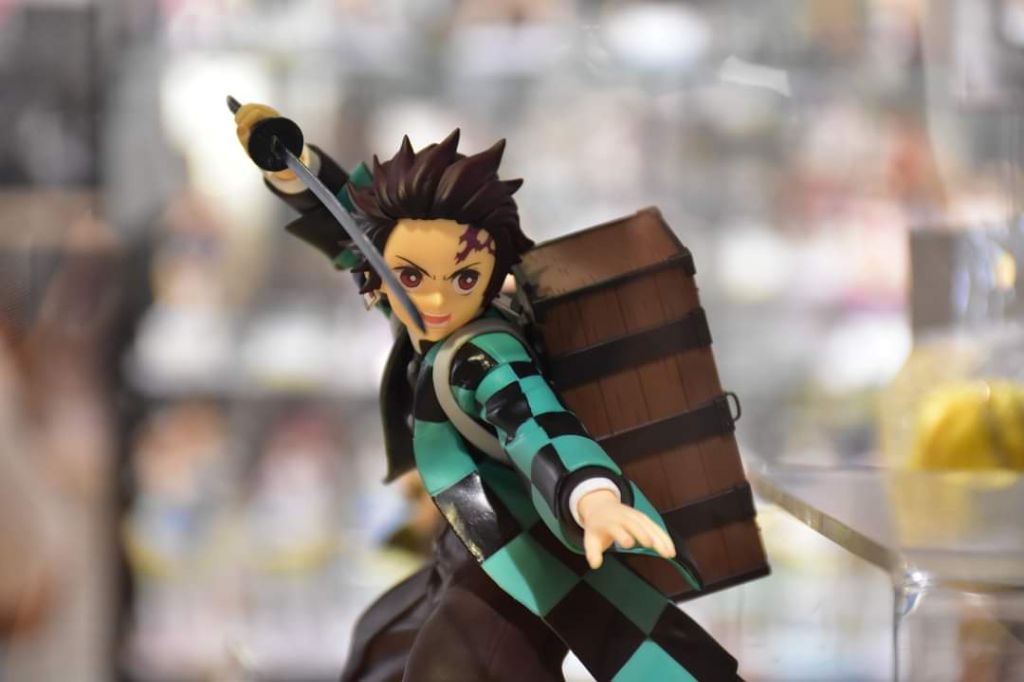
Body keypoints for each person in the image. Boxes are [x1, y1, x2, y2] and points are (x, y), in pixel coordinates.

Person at [233, 103, 741, 681]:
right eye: (412, 277)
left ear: (496, 272)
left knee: (450, 667)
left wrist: (591, 496)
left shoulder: (483, 354)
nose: (436, 299)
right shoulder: (418, 318)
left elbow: (537, 423)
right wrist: (291, 163)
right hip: (466, 552)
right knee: (388, 646)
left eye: (464, 278)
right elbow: (349, 225)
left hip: (517, 564)